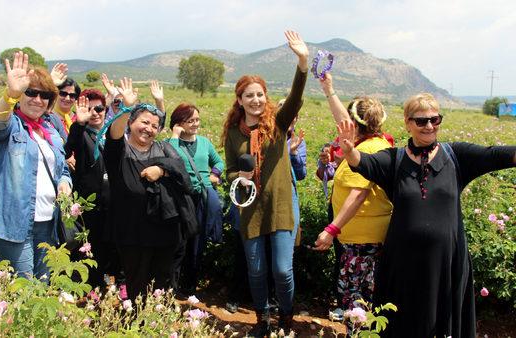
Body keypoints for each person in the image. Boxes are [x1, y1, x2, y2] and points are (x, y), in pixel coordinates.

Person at [336, 93, 516, 337]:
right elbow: (363, 163)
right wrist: (349, 150)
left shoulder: (456, 156)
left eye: (435, 119)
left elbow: (498, 155)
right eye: (421, 121)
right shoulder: (394, 160)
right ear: (408, 123)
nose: (429, 126)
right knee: (403, 325)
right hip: (403, 267)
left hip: (447, 265)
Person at [221, 30, 309, 335]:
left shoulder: (278, 124)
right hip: (250, 207)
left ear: (265, 97)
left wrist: (302, 61)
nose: (256, 99)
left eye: (260, 94)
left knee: (282, 270)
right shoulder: (233, 133)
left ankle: (286, 316)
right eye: (249, 95)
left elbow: (296, 98)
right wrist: (239, 177)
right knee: (256, 271)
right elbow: (230, 170)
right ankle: (262, 320)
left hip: (281, 204)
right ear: (240, 100)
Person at [103, 77, 196, 300]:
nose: (149, 129)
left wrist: (162, 170)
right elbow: (112, 135)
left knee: (161, 288)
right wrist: (126, 107)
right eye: (144, 122)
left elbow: (184, 178)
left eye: (154, 126)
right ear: (131, 123)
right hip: (132, 234)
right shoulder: (121, 152)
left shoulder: (163, 150)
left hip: (165, 233)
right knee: (137, 286)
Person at [0, 52, 72, 281]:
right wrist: (9, 94)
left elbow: (62, 169)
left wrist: (64, 183)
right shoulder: (12, 126)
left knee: (43, 287)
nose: (37, 99)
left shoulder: (50, 132)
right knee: (24, 288)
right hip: (16, 224)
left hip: (48, 222)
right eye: (30, 92)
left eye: (44, 95)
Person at [312, 94, 393, 317]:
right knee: (364, 298)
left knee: (357, 301)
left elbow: (358, 195)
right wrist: (328, 89)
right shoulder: (372, 144)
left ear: (356, 124)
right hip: (362, 240)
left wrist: (331, 230)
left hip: (362, 243)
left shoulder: (368, 150)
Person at [63, 88, 119, 290]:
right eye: (90, 108)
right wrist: (79, 122)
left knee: (109, 248)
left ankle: (105, 283)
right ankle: (85, 287)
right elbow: (69, 148)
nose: (95, 112)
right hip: (88, 205)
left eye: (100, 108)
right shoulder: (82, 133)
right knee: (87, 247)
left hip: (112, 204)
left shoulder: (113, 134)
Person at [167, 102, 225, 295]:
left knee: (197, 243)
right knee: (179, 243)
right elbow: (171, 159)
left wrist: (214, 174)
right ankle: (172, 287)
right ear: (178, 123)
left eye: (197, 120)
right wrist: (175, 136)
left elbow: (218, 161)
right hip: (181, 198)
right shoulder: (171, 143)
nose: (194, 124)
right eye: (189, 120)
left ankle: (189, 286)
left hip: (201, 197)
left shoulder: (204, 142)